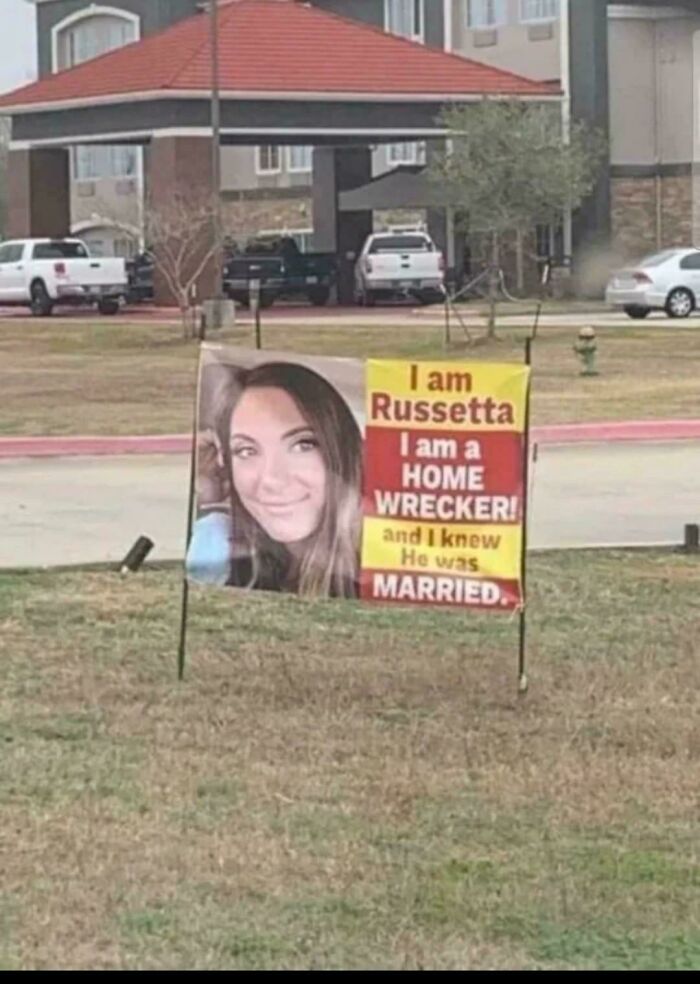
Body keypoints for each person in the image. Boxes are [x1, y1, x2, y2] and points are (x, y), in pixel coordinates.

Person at [187, 361, 363, 599]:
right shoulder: (223, 551)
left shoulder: (389, 566)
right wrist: (204, 500)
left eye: (302, 445)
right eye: (246, 451)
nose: (272, 479)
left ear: (342, 450)